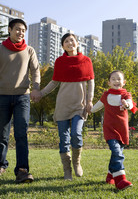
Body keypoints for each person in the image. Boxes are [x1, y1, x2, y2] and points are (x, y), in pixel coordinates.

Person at [0, 18, 40, 183]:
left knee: (21, 134)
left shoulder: (29, 50)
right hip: (3, 96)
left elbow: (35, 70)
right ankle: (1, 165)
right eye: (17, 29)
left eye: (23, 31)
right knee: (2, 134)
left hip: (23, 97)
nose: (20, 33)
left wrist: (36, 88)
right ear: (10, 30)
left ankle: (22, 170)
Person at [33, 33, 94, 180]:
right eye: (66, 41)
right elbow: (54, 82)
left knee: (76, 134)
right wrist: (41, 93)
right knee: (64, 139)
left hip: (79, 106)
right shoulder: (60, 62)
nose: (69, 43)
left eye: (72, 40)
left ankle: (76, 163)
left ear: (77, 43)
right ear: (63, 46)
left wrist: (89, 100)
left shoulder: (86, 61)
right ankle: (67, 170)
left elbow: (91, 81)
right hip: (62, 105)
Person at [90, 70, 137, 190]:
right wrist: (89, 109)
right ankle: (120, 180)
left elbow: (130, 104)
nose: (116, 81)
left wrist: (126, 105)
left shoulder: (126, 95)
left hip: (122, 130)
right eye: (113, 79)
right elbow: (96, 107)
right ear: (109, 82)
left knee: (116, 153)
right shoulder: (106, 96)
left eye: (119, 79)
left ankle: (110, 176)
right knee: (117, 153)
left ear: (124, 82)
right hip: (110, 130)